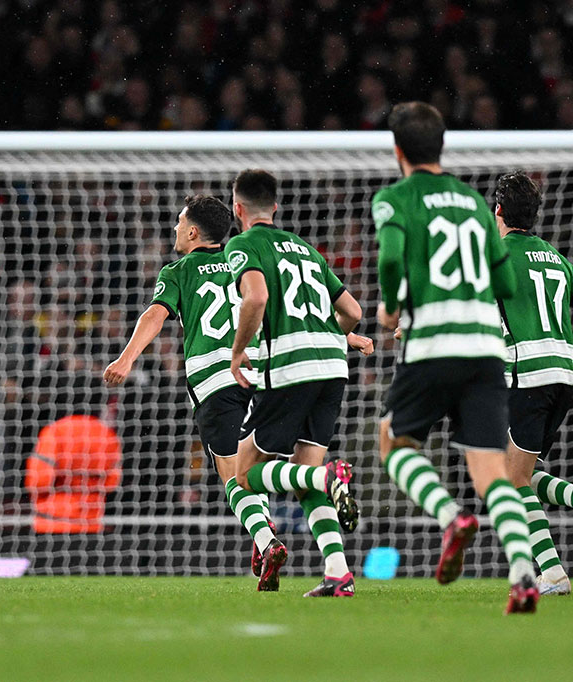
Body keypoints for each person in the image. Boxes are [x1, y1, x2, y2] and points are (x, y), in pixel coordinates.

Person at [104, 193, 374, 590]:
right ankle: (331, 567)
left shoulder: (179, 271)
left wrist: (126, 359)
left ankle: (270, 539)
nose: (176, 229)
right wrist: (347, 337)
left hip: (214, 382)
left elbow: (154, 315)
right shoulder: (240, 261)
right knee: (259, 468)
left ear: (193, 231)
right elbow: (285, 309)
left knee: (235, 477)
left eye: (180, 222)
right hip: (260, 373)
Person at [373, 102, 537, 614]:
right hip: (487, 349)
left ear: (398, 150)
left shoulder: (395, 198)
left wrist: (393, 304)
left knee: (392, 441)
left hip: (434, 343)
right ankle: (523, 572)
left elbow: (393, 256)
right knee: (490, 470)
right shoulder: (473, 202)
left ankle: (450, 517)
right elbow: (506, 282)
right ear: (441, 146)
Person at [227, 169, 365, 598]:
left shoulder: (243, 244)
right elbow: (353, 311)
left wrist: (238, 350)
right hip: (332, 367)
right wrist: (332, 337)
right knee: (301, 475)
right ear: (276, 208)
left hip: (289, 368)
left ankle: (329, 479)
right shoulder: (306, 248)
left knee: (243, 476)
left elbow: (257, 297)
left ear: (238, 209)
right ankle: (338, 573)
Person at [493, 170, 573, 597]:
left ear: (499, 211)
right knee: (523, 470)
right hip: (566, 370)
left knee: (512, 479)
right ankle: (553, 571)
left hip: (531, 374)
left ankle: (554, 574)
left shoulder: (497, 254)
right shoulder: (558, 259)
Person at [24, 414, 122, 534]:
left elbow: (39, 481)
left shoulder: (56, 431)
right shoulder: (107, 434)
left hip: (52, 523)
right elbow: (112, 483)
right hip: (91, 523)